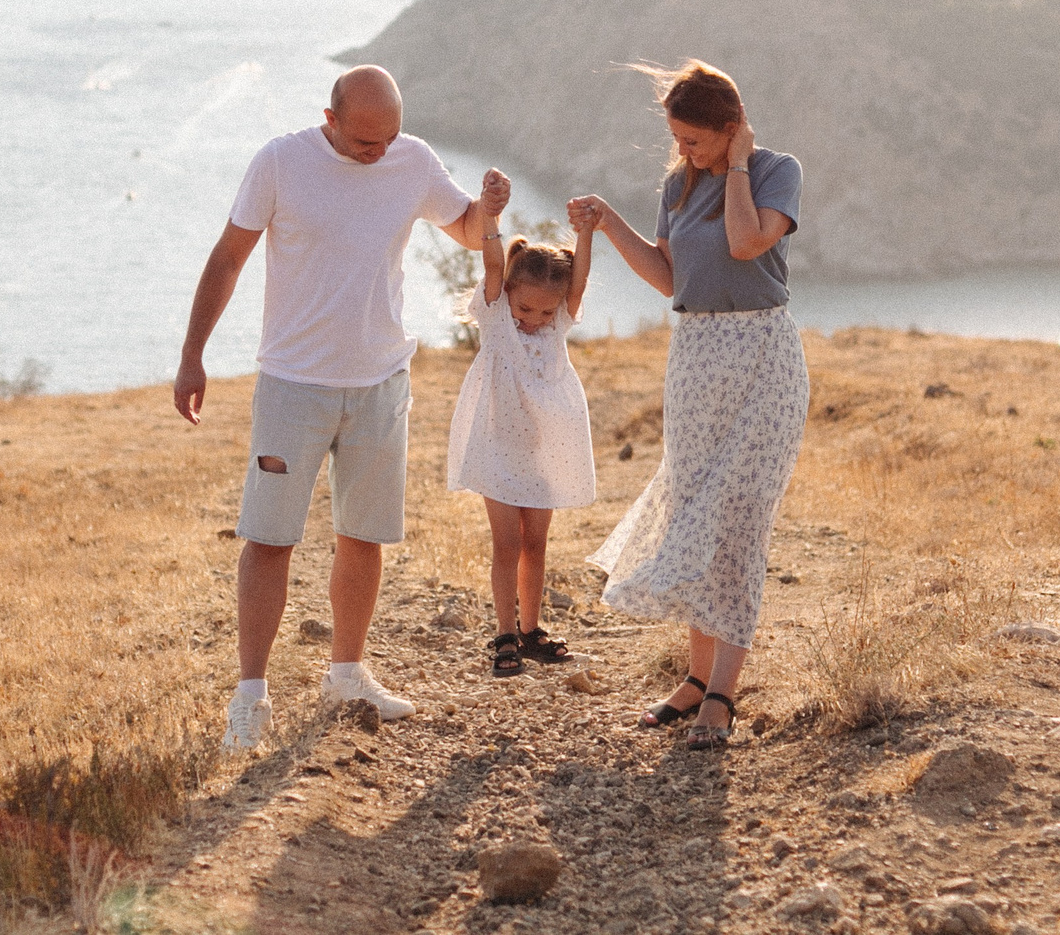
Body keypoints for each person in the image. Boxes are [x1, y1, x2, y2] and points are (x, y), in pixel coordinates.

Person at [174, 64, 500, 753]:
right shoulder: (280, 162)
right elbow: (229, 257)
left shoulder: (412, 161)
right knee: (269, 537)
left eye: (388, 139)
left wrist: (491, 211)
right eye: (363, 141)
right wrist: (192, 354)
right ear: (330, 117)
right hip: (293, 384)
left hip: (381, 380)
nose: (378, 152)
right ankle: (251, 696)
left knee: (364, 534)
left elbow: (468, 229)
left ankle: (347, 672)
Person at [568, 59, 806, 749]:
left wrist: (735, 166)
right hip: (696, 357)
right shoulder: (677, 185)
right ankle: (697, 680)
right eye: (678, 139)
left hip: (763, 357)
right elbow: (671, 276)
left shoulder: (775, 171)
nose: (683, 152)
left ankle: (723, 694)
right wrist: (610, 222)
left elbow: (744, 241)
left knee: (738, 523)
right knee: (693, 509)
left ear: (731, 131)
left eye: (696, 140)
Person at [445, 183, 598, 678]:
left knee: (537, 543)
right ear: (507, 293)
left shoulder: (556, 326)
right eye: (525, 308)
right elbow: (492, 264)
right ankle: (504, 635)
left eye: (545, 312)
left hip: (542, 452)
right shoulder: (495, 321)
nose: (533, 320)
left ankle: (532, 631)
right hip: (496, 451)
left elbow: (579, 281)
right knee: (506, 544)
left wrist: (587, 233)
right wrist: (489, 218)